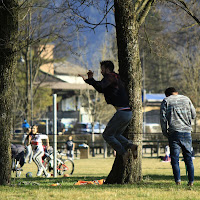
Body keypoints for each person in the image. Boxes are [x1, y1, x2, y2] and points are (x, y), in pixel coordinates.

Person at [79, 60, 138, 164]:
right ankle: (131, 146)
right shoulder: (116, 77)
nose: (101, 72)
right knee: (117, 134)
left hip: (122, 112)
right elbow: (102, 88)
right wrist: (90, 80)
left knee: (107, 135)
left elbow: (101, 86)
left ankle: (124, 153)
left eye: (102, 69)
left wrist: (91, 80)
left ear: (107, 69)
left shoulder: (110, 76)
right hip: (128, 113)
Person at [160, 87, 196, 186]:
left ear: (167, 95)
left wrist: (165, 132)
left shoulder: (166, 100)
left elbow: (163, 119)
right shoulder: (186, 99)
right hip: (187, 132)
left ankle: (178, 181)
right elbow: (193, 115)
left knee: (175, 159)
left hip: (174, 132)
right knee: (188, 158)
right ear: (176, 92)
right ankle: (191, 181)